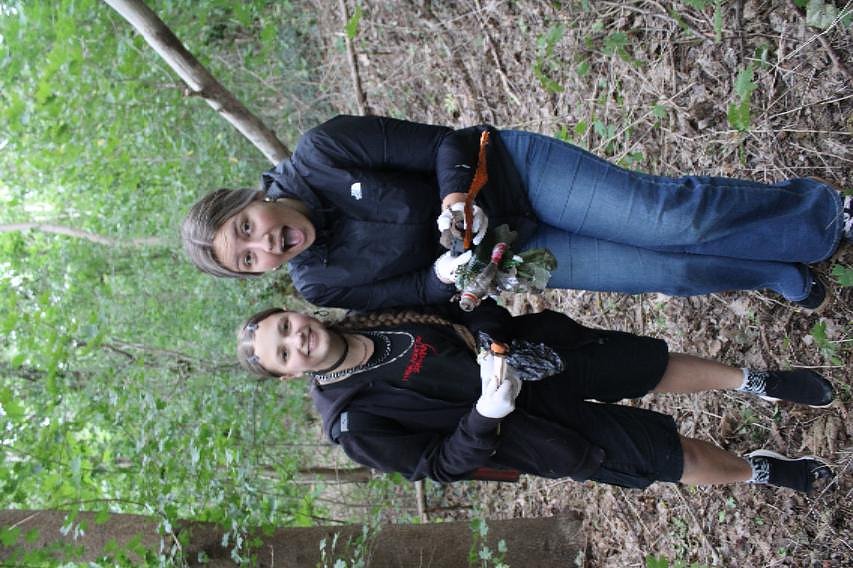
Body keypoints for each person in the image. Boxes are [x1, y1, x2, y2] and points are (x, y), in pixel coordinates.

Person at [183, 115, 851, 310]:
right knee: (668, 273)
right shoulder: (319, 284)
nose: (265, 245)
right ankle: (771, 268)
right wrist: (446, 276)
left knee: (669, 220)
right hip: (509, 255)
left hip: (513, 175)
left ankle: (822, 214)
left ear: (250, 200)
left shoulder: (323, 151)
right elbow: (415, 292)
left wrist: (455, 200)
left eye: (246, 229)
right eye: (249, 260)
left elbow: (448, 143)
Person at [235, 299, 836, 493]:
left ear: (293, 312)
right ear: (289, 375)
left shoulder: (366, 312)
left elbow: (462, 305)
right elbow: (438, 465)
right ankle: (759, 470)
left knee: (650, 367)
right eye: (282, 353)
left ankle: (754, 383)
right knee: (671, 456)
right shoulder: (353, 426)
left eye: (285, 326)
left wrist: (492, 341)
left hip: (541, 361)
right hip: (535, 434)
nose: (296, 340)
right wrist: (484, 414)